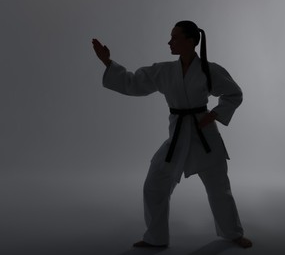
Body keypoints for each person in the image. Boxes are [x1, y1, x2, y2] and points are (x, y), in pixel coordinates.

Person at [92, 20, 252, 249]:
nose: (170, 42)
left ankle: (233, 233)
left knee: (219, 189)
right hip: (176, 139)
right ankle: (155, 237)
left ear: (191, 41)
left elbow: (234, 94)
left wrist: (215, 114)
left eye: (175, 37)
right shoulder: (165, 70)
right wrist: (107, 62)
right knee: (154, 184)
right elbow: (133, 82)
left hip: (204, 137)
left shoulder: (209, 69)